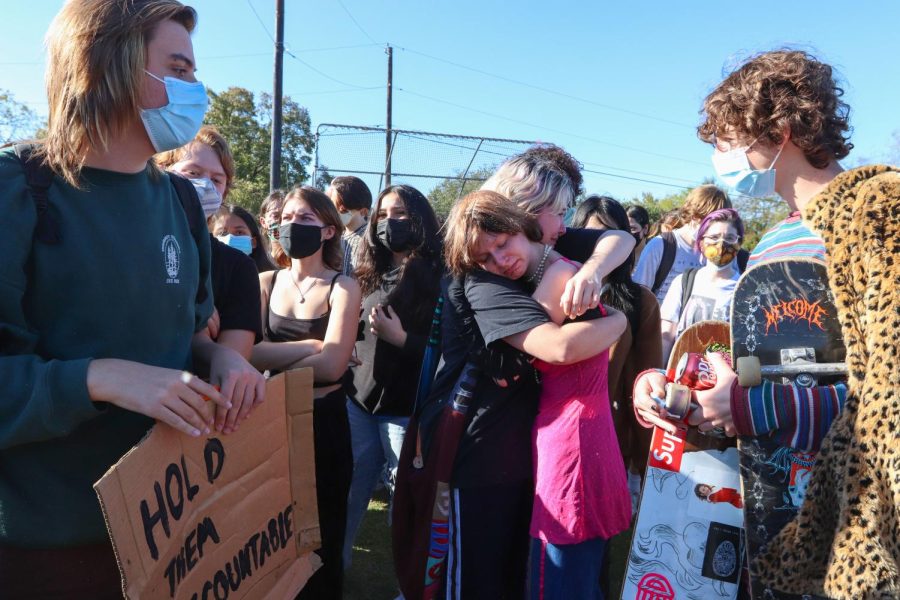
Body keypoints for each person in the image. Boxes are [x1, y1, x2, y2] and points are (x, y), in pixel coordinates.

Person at [0, 1, 263, 597]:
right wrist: (100, 377)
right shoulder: (15, 191)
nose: (197, 91)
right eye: (179, 68)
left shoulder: (176, 200)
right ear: (108, 64)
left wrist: (221, 357)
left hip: (169, 527)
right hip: (46, 547)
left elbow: (191, 332)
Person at [633, 50, 898, 599]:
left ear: (779, 131)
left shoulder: (880, 212)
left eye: (725, 140)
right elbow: (772, 363)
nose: (717, 157)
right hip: (777, 525)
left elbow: (888, 397)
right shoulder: (776, 242)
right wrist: (687, 389)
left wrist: (757, 407)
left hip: (861, 541)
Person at [399, 145, 635, 599]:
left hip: (520, 451)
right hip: (477, 449)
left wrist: (593, 270)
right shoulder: (484, 273)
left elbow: (621, 239)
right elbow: (554, 346)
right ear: (523, 209)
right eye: (558, 212)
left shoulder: (537, 244)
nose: (565, 225)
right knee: (474, 581)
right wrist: (617, 321)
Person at [448, 190, 630, 599]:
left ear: (521, 224)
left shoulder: (558, 276)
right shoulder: (557, 268)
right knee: (577, 580)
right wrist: (616, 318)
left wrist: (617, 321)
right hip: (580, 434)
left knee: (558, 583)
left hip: (572, 445)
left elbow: (557, 348)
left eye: (502, 243)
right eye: (486, 258)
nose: (500, 260)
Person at [250, 186, 360, 599]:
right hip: (271, 421)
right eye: (289, 218)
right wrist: (312, 347)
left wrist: (270, 357)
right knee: (271, 528)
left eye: (306, 219)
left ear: (329, 231)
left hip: (325, 426)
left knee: (323, 532)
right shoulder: (263, 282)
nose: (293, 226)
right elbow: (244, 354)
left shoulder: (344, 287)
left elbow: (333, 366)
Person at [342, 184, 443, 570]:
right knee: (352, 491)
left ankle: (412, 581)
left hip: (406, 411)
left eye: (399, 213)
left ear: (419, 217)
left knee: (407, 503)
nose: (389, 222)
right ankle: (339, 566)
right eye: (382, 215)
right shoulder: (368, 270)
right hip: (360, 403)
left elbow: (448, 353)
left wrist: (402, 339)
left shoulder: (442, 278)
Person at [158, 125, 264, 434]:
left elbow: (229, 364)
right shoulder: (134, 246)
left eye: (216, 180)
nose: (203, 185)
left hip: (192, 421)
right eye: (192, 173)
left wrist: (197, 326)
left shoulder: (237, 267)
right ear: (162, 171)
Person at [572, 196, 662, 507]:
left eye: (610, 236)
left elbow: (646, 379)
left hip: (610, 439)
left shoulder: (641, 302)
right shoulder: (554, 290)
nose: (601, 245)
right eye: (590, 234)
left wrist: (641, 459)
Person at [659, 208, 744, 363]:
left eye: (730, 238)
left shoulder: (744, 289)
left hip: (723, 382)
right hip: (680, 376)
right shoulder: (683, 282)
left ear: (739, 243)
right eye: (713, 237)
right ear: (701, 242)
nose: (721, 244)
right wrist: (661, 373)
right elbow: (666, 336)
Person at [633, 184, 731, 303]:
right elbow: (639, 296)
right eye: (710, 222)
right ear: (694, 215)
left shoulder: (717, 252)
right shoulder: (661, 245)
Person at [327, 175, 373, 277]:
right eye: (332, 208)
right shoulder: (336, 237)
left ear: (363, 212)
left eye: (343, 210)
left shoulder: (370, 238)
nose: (336, 214)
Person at [212, 204, 277, 272]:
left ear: (254, 242)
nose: (229, 238)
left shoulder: (272, 279)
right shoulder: (202, 278)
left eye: (239, 232)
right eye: (222, 233)